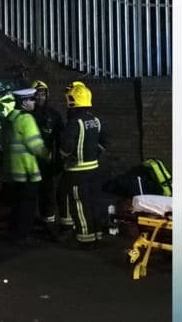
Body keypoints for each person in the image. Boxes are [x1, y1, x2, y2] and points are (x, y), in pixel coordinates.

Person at [58, 81, 108, 247]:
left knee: (79, 204)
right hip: (94, 169)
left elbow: (66, 147)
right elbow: (104, 144)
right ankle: (97, 234)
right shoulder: (96, 120)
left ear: (73, 102)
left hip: (77, 172)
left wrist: (63, 155)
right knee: (94, 202)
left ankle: (85, 238)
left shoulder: (74, 123)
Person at [6, 87, 51, 245]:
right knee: (27, 207)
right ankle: (22, 236)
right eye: (31, 99)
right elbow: (35, 145)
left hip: (14, 170)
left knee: (17, 204)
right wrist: (48, 155)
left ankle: (13, 232)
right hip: (27, 171)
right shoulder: (26, 119)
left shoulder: (12, 117)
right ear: (24, 103)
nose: (34, 102)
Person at [30, 80, 64, 236]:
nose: (40, 97)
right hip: (30, 163)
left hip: (47, 163)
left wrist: (58, 160)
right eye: (37, 94)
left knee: (48, 193)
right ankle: (30, 222)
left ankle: (48, 223)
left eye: (43, 94)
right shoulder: (27, 115)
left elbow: (61, 139)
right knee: (30, 194)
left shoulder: (54, 115)